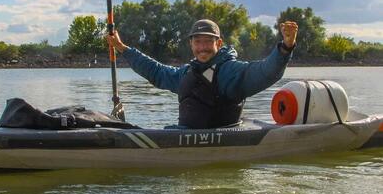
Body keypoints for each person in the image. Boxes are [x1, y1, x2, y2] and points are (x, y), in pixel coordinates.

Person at [106, 19, 298, 129]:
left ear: (219, 44)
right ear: (191, 44)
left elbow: (266, 72)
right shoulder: (187, 72)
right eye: (198, 42)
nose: (202, 47)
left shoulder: (230, 71)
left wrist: (285, 48)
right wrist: (123, 48)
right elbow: (156, 71)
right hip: (182, 135)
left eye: (208, 42)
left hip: (222, 139)